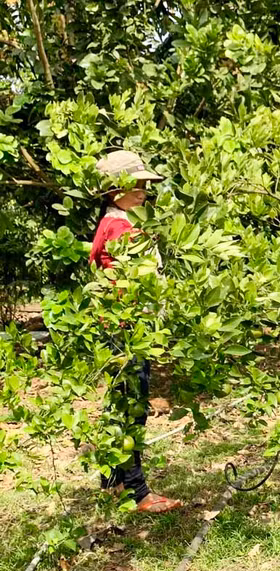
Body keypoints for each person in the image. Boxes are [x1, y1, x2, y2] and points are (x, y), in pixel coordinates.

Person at [90, 150, 182, 514]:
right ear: (116, 190)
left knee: (120, 408)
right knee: (132, 410)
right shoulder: (120, 227)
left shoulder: (110, 224)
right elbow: (130, 283)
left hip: (118, 330)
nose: (144, 190)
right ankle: (138, 491)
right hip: (127, 332)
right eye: (137, 184)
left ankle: (112, 483)